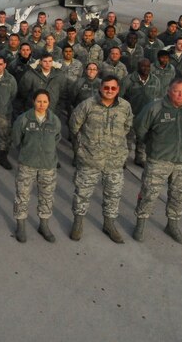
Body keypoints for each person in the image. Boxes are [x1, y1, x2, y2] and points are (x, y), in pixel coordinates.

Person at [132, 79, 182, 244]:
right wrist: (153, 146)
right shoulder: (155, 108)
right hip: (159, 160)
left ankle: (172, 225)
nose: (180, 95)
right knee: (149, 193)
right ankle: (140, 224)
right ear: (168, 91)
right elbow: (140, 128)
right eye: (176, 91)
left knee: (179, 195)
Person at [68, 76, 133, 243]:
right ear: (100, 88)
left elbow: (127, 126)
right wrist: (82, 148)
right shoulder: (88, 105)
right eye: (106, 87)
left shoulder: (125, 107)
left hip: (114, 161)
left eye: (113, 88)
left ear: (118, 89)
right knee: (82, 194)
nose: (109, 91)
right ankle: (78, 222)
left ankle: (109, 224)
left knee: (113, 194)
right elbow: (74, 125)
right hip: (90, 159)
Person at [11, 90, 62, 243]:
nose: (41, 105)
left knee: (46, 196)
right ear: (34, 101)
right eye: (39, 101)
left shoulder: (54, 120)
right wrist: (28, 152)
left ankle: (44, 225)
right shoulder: (24, 119)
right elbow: (16, 139)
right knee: (22, 195)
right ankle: (20, 225)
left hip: (48, 165)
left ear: (49, 103)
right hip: (27, 164)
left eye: (45, 102)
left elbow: (56, 138)